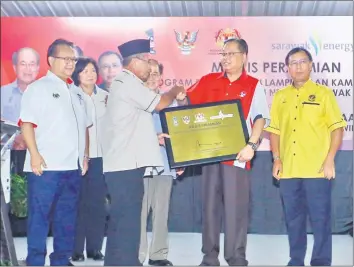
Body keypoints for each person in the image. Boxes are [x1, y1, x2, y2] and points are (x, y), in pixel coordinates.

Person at [100, 39, 186, 266]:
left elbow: (134, 125)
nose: (149, 67)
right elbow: (159, 104)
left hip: (125, 164)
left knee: (122, 221)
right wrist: (175, 89)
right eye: (147, 61)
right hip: (125, 166)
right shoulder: (128, 83)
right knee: (128, 222)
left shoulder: (125, 84)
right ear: (135, 62)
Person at [185, 38, 270, 266]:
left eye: (231, 53)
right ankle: (209, 257)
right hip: (209, 155)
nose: (226, 58)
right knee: (209, 207)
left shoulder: (254, 85)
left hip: (237, 156)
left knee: (236, 209)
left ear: (244, 56)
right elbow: (186, 103)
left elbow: (260, 118)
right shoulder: (207, 80)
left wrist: (251, 145)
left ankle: (236, 256)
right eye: (223, 54)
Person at [266, 47, 347, 266]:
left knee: (320, 220)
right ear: (287, 68)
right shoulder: (280, 96)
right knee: (293, 221)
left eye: (303, 61)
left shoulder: (324, 94)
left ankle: (321, 261)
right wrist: (276, 158)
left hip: (317, 169)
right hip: (289, 170)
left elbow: (337, 128)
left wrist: (330, 158)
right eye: (293, 62)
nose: (298, 66)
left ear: (311, 65)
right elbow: (274, 130)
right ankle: (296, 260)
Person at [18, 38, 92, 266]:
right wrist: (35, 155)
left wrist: (86, 155)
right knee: (39, 219)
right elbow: (27, 123)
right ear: (51, 60)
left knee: (66, 219)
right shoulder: (38, 88)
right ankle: (35, 261)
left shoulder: (78, 92)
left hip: (73, 167)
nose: (71, 63)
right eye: (65, 58)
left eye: (73, 59)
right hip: (46, 168)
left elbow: (85, 128)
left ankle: (61, 260)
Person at [138, 59, 185, 266]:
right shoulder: (134, 99)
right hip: (139, 164)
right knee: (139, 212)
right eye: (148, 73)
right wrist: (151, 137)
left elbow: (180, 132)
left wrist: (180, 159)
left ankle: (158, 254)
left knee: (161, 212)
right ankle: (137, 255)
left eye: (156, 73)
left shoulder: (171, 102)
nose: (152, 77)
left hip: (165, 164)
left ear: (161, 78)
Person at [71, 57, 108, 262]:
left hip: (101, 157)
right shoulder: (71, 95)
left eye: (93, 70)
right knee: (77, 204)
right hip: (76, 158)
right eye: (85, 71)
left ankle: (95, 248)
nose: (90, 74)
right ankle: (76, 249)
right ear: (77, 74)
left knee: (97, 205)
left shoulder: (105, 96)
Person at [1, 47, 40, 124]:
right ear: (15, 68)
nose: (28, 69)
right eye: (23, 64)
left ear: (38, 68)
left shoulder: (47, 94)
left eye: (32, 64)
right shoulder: (2, 93)